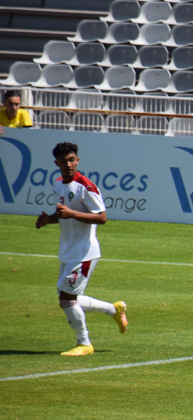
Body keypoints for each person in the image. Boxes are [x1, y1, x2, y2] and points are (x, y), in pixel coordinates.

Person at [34, 142, 128, 356]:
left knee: (67, 300)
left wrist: (72, 214)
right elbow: (64, 214)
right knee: (68, 298)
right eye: (64, 161)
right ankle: (114, 309)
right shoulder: (58, 185)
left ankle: (84, 343)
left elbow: (102, 217)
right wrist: (49, 220)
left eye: (71, 160)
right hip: (68, 251)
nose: (68, 164)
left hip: (84, 252)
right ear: (56, 163)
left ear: (77, 160)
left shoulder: (86, 186)